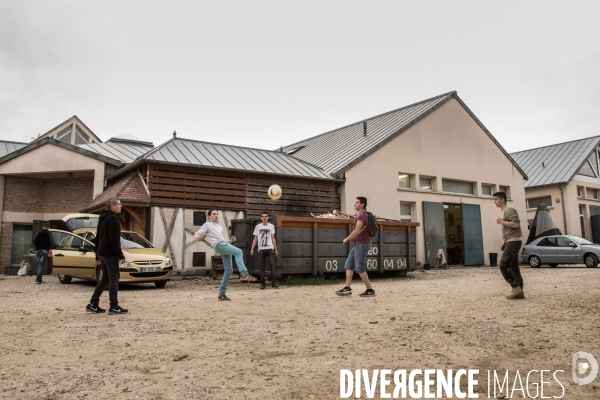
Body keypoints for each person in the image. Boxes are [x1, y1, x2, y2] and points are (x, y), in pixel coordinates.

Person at [194, 208, 251, 300]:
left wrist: (231, 241)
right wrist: (197, 237)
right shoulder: (207, 225)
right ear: (209, 216)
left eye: (216, 214)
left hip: (223, 245)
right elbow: (198, 233)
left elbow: (225, 241)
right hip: (219, 245)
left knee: (228, 271)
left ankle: (221, 294)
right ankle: (244, 273)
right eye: (213, 214)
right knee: (239, 252)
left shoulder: (219, 227)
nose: (216, 215)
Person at [86, 198, 128, 314]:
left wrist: (97, 255)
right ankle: (114, 306)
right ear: (112, 206)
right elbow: (114, 239)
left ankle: (93, 304)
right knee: (114, 278)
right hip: (110, 253)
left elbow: (98, 237)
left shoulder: (102, 217)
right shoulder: (113, 218)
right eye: (119, 204)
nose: (121, 206)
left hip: (102, 252)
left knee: (105, 278)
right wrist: (120, 255)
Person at [335, 196, 376, 297]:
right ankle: (347, 287)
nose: (355, 204)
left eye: (357, 202)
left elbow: (357, 230)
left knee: (359, 267)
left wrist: (347, 239)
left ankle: (370, 289)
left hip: (362, 244)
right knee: (349, 264)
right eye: (355, 202)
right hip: (358, 243)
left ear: (362, 205)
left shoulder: (362, 215)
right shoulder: (361, 215)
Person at [494, 191, 525, 300]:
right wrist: (505, 242)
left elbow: (516, 224)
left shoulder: (509, 210)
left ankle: (515, 287)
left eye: (496, 199)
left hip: (514, 241)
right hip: (510, 241)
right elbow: (510, 229)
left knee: (503, 264)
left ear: (502, 200)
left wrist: (501, 221)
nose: (494, 202)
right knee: (513, 266)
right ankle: (519, 289)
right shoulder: (503, 212)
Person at [250, 211, 279, 289]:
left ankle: (274, 283)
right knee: (261, 267)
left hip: (270, 248)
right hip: (261, 249)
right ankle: (263, 284)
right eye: (263, 216)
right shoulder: (258, 227)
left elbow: (273, 238)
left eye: (266, 216)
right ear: (261, 218)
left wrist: (276, 249)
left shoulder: (271, 226)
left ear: (268, 218)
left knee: (272, 265)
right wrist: (252, 248)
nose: (264, 217)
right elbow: (255, 238)